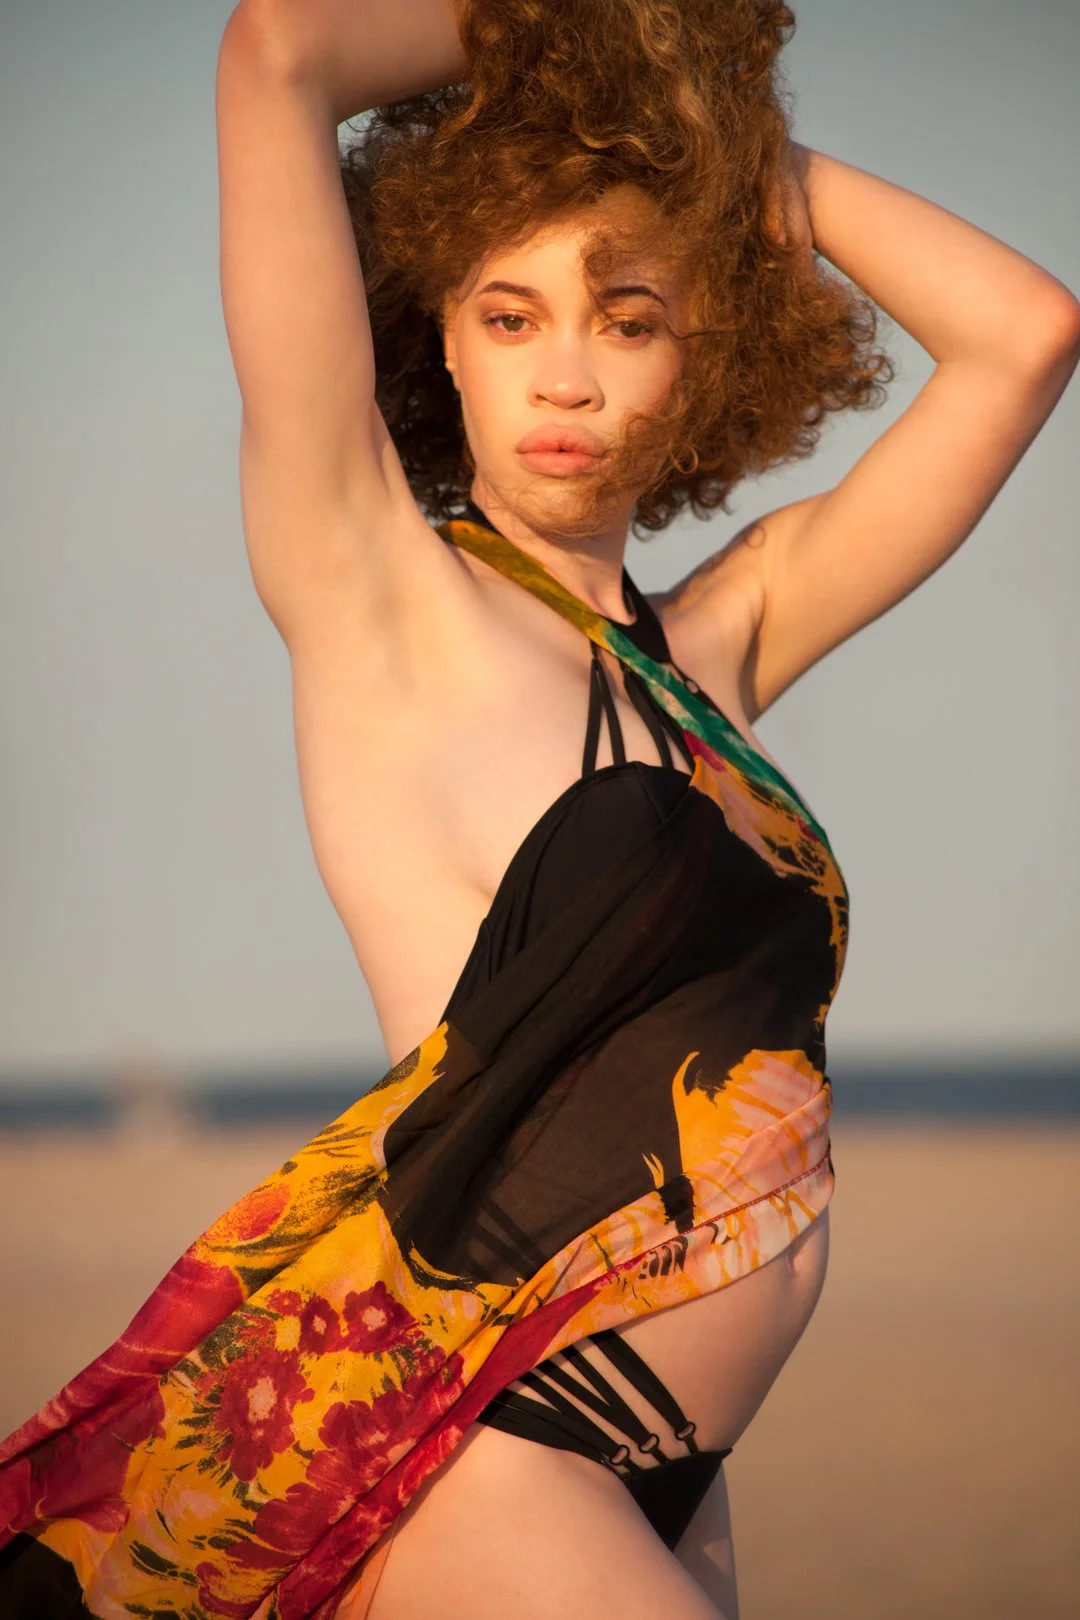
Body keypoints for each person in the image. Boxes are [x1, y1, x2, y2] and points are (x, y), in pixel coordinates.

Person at [1, 2, 1077, 1616]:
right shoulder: (370, 577)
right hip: (495, 1438)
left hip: (672, 1476)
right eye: (510, 317)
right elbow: (275, 53)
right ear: (435, 332)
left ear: (703, 350)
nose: (565, 374)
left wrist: (720, 159)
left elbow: (1028, 334)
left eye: (627, 320)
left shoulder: (710, 647)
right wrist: (585, 32)